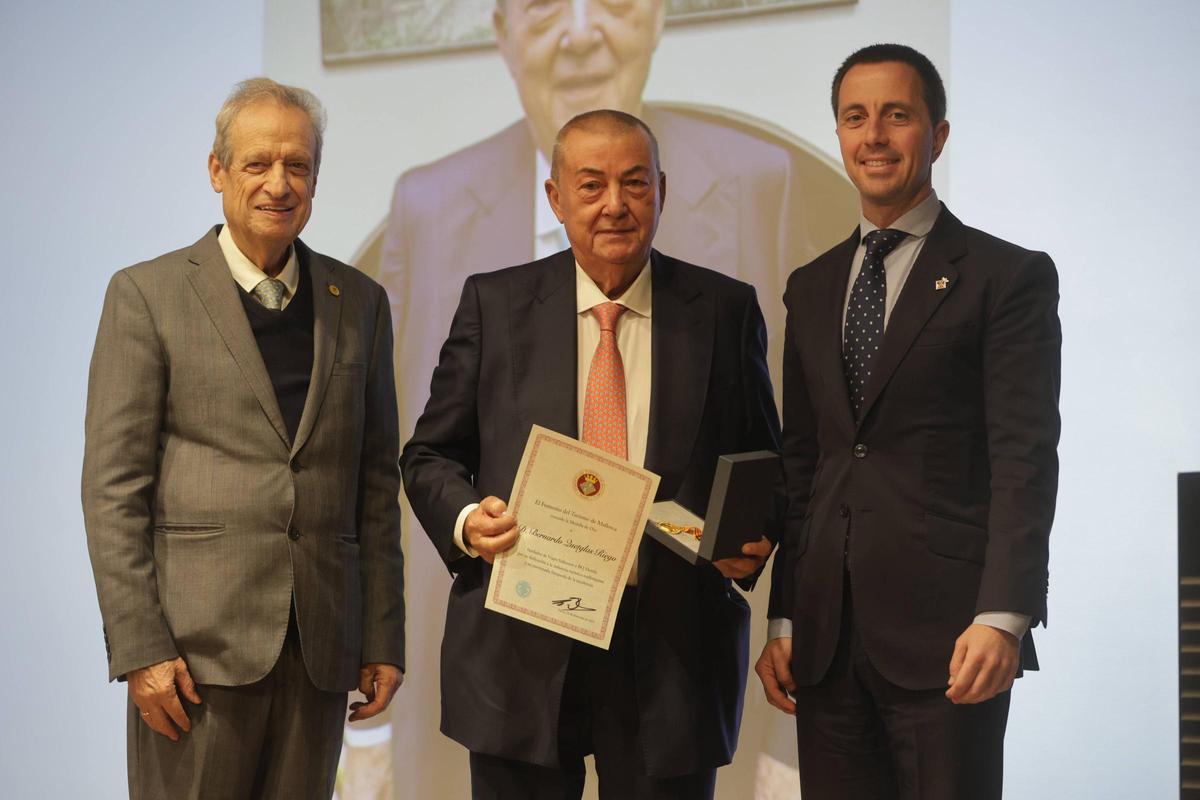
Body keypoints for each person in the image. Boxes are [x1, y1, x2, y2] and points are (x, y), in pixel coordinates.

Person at [401, 110, 780, 799]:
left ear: (661, 190)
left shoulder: (724, 311)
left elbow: (764, 465)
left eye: (635, 183)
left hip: (674, 656)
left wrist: (750, 540)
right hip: (519, 649)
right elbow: (429, 455)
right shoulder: (495, 304)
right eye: (592, 184)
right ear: (554, 198)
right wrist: (466, 521)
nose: (615, 205)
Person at [81, 78, 405, 799]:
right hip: (193, 660)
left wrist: (381, 634)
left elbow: (375, 486)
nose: (279, 184)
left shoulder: (360, 304)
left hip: (321, 651)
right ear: (217, 171)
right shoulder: (147, 295)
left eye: (298, 166)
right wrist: (140, 649)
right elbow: (113, 491)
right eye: (258, 164)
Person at [755, 44, 1060, 799]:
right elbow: (807, 464)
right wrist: (783, 617)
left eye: (898, 115)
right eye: (856, 118)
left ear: (939, 135)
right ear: (839, 136)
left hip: (952, 639)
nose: (876, 136)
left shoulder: (1006, 277)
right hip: (825, 643)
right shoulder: (811, 285)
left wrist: (1005, 614)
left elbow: (1024, 455)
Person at [378, 0, 856, 436]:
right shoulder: (426, 210)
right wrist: (467, 520)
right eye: (544, 5)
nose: (582, 35)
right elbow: (411, 448)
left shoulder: (757, 184)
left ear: (658, 16)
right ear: (504, 34)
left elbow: (785, 436)